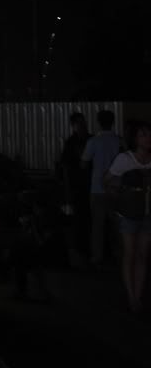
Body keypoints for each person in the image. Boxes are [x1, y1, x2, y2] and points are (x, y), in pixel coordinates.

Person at [104, 120, 151, 314]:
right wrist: (124, 189)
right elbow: (107, 181)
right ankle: (131, 295)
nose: (148, 138)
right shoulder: (124, 159)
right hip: (128, 214)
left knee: (142, 256)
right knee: (130, 254)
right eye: (143, 134)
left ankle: (137, 297)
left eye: (149, 134)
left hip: (148, 214)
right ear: (134, 138)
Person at [81, 109, 123, 266]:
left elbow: (84, 163)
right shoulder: (119, 141)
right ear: (112, 122)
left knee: (97, 225)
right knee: (117, 225)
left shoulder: (94, 142)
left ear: (99, 122)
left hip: (97, 188)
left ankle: (97, 256)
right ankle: (121, 254)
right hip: (115, 187)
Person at [59, 111, 91, 263]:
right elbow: (66, 168)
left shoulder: (90, 140)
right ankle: (81, 248)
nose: (82, 126)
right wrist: (68, 191)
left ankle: (86, 248)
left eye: (83, 122)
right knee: (79, 219)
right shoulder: (71, 143)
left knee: (88, 219)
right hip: (78, 187)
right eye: (79, 123)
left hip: (90, 186)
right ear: (73, 126)